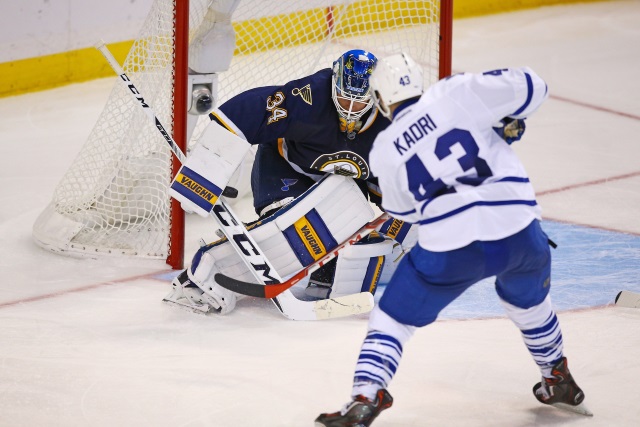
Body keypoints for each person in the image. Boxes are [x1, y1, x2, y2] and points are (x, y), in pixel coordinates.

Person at [315, 53, 591, 426]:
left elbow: (406, 214)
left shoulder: (383, 149)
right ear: (420, 81)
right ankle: (557, 377)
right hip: (519, 229)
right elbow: (534, 86)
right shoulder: (456, 92)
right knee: (530, 304)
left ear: (381, 100)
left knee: (392, 319)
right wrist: (508, 118)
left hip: (451, 246)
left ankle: (366, 396)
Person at [164, 49, 418, 315]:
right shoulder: (309, 97)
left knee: (365, 244)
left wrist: (411, 229)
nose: (350, 109)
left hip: (340, 189)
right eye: (344, 98)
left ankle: (325, 286)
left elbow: (390, 184)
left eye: (359, 102)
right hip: (284, 170)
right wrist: (203, 174)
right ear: (334, 84)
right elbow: (248, 111)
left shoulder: (389, 124)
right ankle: (200, 280)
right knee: (297, 233)